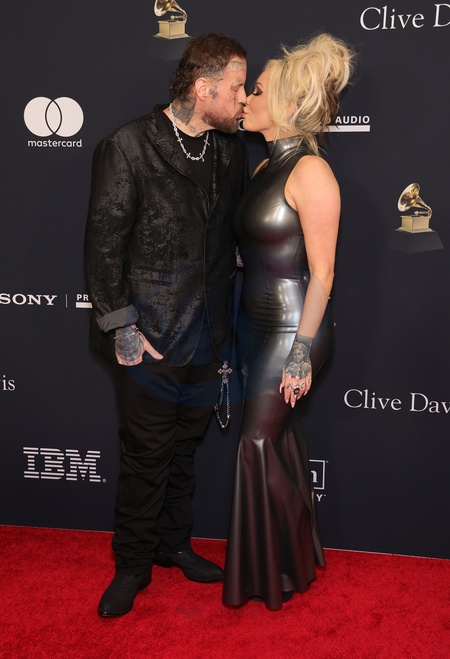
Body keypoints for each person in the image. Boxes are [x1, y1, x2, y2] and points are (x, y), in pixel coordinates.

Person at [84, 33, 248, 618]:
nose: (244, 99)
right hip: (149, 339)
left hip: (208, 336)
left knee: (184, 451)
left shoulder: (229, 150)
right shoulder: (129, 146)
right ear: (204, 89)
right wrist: (123, 329)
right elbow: (103, 247)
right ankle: (132, 564)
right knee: (146, 456)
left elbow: (228, 237)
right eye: (236, 88)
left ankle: (174, 544)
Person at [222, 33, 354, 610]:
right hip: (255, 329)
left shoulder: (312, 172)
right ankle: (292, 559)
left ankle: (278, 564)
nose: (246, 98)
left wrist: (300, 353)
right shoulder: (261, 169)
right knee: (275, 441)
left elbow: (323, 274)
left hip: (295, 331)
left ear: (289, 105)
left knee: (256, 441)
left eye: (256, 90)